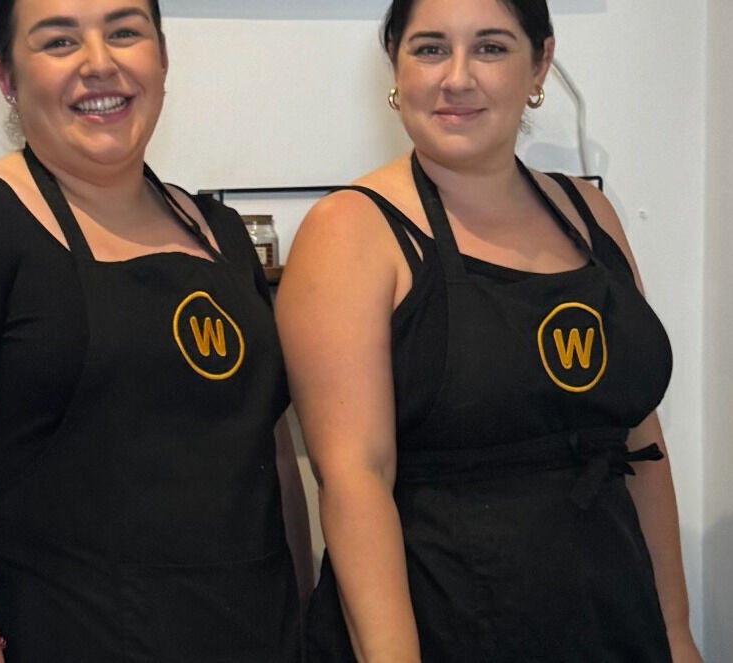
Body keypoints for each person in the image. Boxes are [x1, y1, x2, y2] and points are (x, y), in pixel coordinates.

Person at [0, 0, 311, 661]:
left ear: (162, 55)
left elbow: (267, 454)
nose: (100, 64)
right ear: (7, 77)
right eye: (59, 41)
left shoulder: (223, 234)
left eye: (125, 32)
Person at [275, 0, 703, 661]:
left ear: (541, 65)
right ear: (396, 66)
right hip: (448, 626)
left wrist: (675, 634)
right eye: (429, 48)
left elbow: (639, 444)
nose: (457, 77)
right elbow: (356, 479)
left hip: (614, 621)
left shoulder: (588, 214)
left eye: (492, 48)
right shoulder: (350, 231)